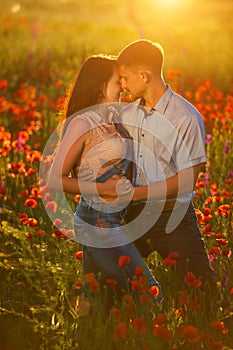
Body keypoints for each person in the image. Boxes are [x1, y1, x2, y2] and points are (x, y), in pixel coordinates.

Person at [47, 54, 162, 313]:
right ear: (100, 85)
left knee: (99, 304)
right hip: (96, 221)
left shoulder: (111, 117)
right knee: (149, 292)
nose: (122, 85)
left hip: (110, 219)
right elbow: (54, 178)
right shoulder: (82, 123)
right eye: (117, 80)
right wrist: (103, 188)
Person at [114, 39, 217, 309]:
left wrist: (136, 192)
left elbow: (186, 181)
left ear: (144, 76)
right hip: (134, 215)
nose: (122, 85)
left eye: (125, 78)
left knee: (204, 293)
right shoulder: (129, 114)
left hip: (173, 219)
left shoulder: (185, 117)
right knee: (110, 281)